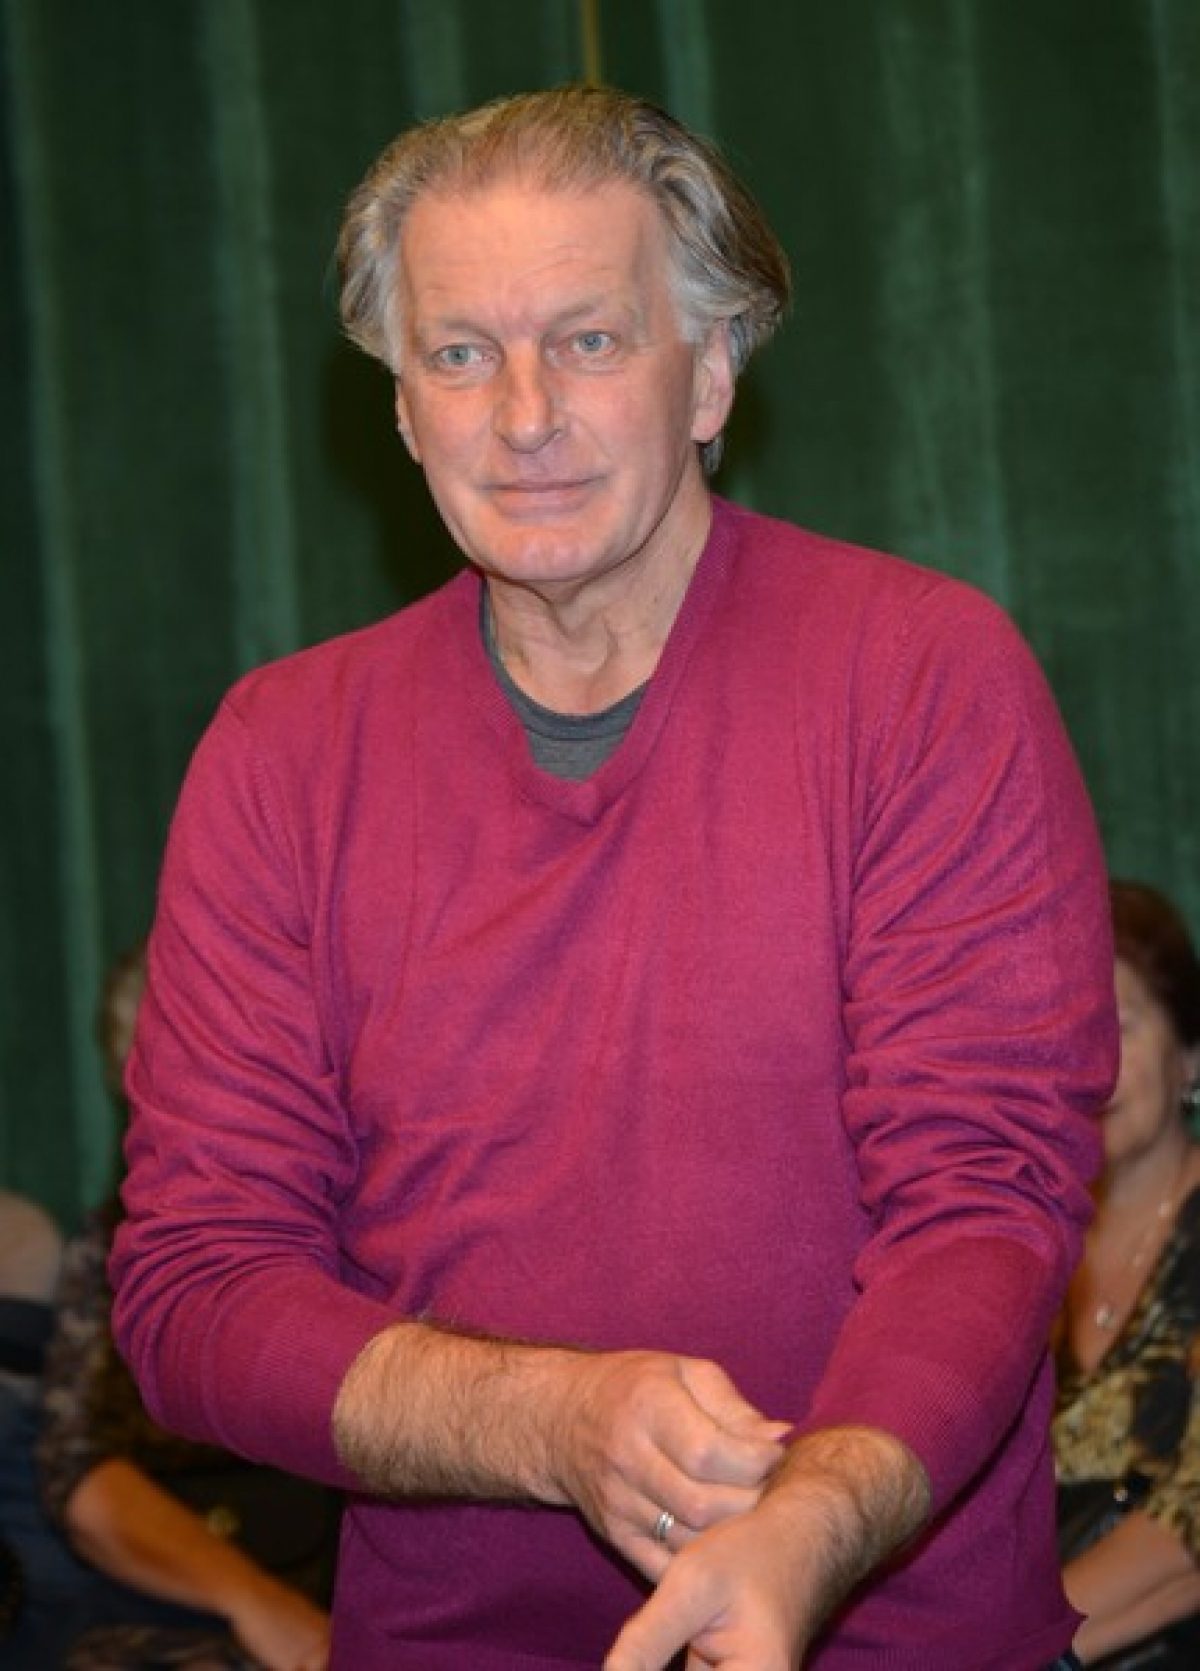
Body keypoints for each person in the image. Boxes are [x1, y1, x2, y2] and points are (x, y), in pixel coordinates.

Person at [110, 84, 1117, 1671]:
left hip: (890, 1627)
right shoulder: (282, 753)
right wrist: (554, 1418)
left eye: (587, 340)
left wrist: (813, 1516)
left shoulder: (920, 677)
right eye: (460, 354)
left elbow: (984, 1198)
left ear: (709, 372)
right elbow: (199, 1285)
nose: (523, 415)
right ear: (400, 406)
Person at [36, 941, 338, 1671]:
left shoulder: (357, 1232)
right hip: (179, 1605)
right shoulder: (115, 1245)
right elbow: (80, 1473)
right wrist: (257, 1603)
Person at [1054, 880, 1200, 1666]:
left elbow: (1190, 1526)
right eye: (1068, 1028)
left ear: (1189, 1056)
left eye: (1121, 1022)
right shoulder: (1022, 1241)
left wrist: (1018, 1651)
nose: (1094, 1061)